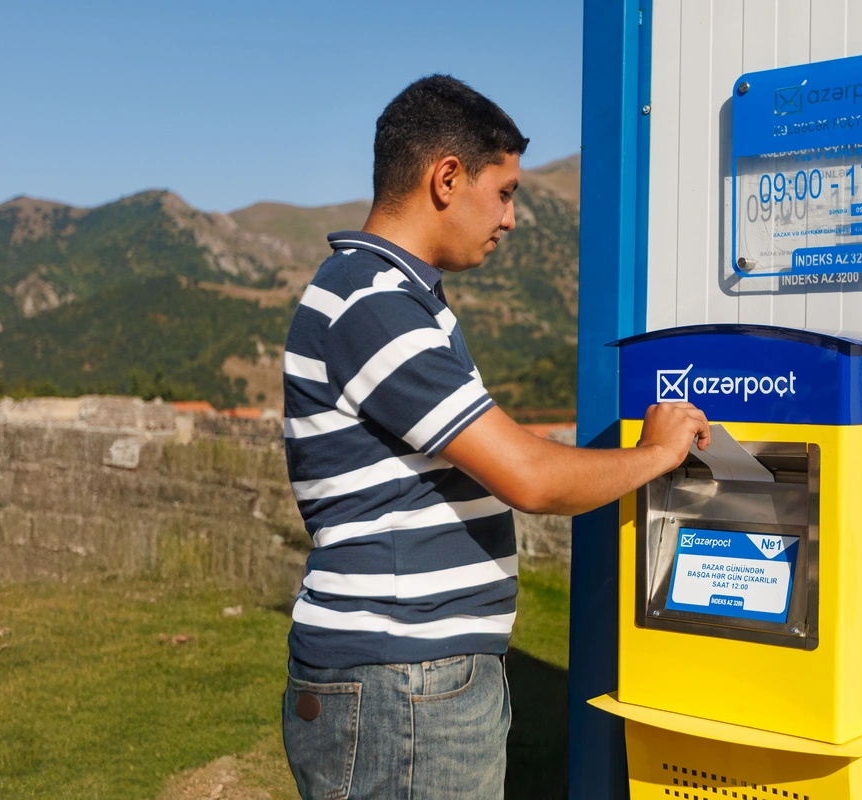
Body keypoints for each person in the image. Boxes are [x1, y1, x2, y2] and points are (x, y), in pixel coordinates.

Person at [279, 74, 710, 799]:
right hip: (405, 680)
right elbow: (530, 478)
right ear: (446, 178)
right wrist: (658, 454)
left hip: (406, 677)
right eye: (504, 192)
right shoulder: (373, 304)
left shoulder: (386, 297)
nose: (511, 219)